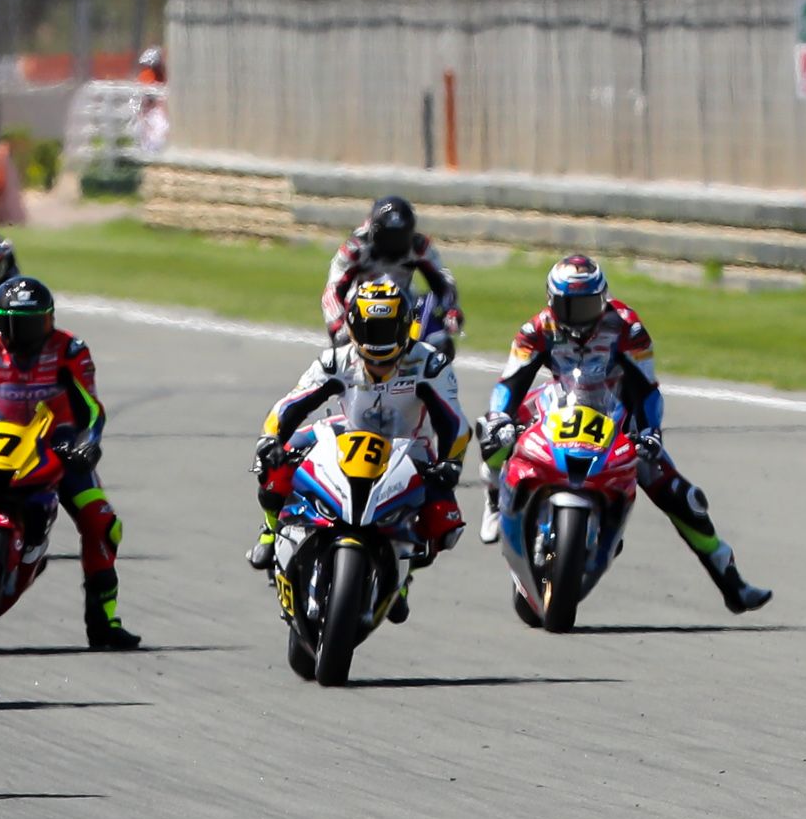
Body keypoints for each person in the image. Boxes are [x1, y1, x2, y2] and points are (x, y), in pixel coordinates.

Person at [478, 255, 771, 613]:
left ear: (602, 299)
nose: (579, 316)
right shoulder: (535, 330)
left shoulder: (627, 328)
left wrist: (650, 432)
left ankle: (732, 583)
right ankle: (494, 496)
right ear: (552, 302)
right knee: (491, 431)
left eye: (587, 305)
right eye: (569, 306)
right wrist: (499, 417)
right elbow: (509, 383)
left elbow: (647, 389)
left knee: (683, 496)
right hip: (558, 406)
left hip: (616, 415)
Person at [248, 278, 467, 622]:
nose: (379, 340)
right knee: (275, 459)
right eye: (371, 329)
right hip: (347, 433)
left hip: (409, 447)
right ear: (353, 327)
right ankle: (271, 526)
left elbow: (454, 422)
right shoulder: (335, 361)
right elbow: (291, 404)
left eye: (387, 329)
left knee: (444, 521)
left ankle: (402, 573)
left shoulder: (430, 364)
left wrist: (451, 463)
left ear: (405, 326)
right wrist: (271, 440)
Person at [0, 276, 140, 650]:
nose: (31, 332)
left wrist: (90, 441)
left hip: (59, 453)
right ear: (0, 322)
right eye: (20, 323)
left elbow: (92, 407)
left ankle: (103, 621)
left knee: (102, 522)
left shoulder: (71, 350)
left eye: (39, 321)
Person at [320, 196, 462, 345]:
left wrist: (451, 309)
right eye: (388, 239)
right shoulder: (354, 248)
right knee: (340, 349)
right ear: (375, 233)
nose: (394, 246)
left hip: (403, 307)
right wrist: (337, 326)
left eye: (401, 238)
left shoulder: (419, 246)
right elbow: (332, 290)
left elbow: (444, 281)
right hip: (361, 311)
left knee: (442, 342)